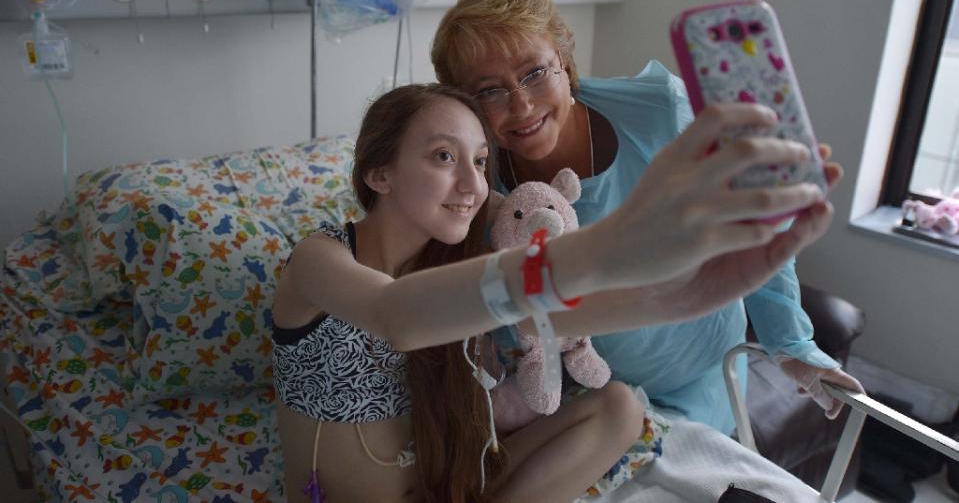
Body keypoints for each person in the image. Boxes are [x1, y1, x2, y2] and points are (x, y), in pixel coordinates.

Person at [271, 82, 830, 502]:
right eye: (444, 157)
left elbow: (556, 315)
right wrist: (605, 246)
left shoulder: (459, 256)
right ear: (379, 175)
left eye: (481, 161)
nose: (471, 185)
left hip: (455, 489)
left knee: (618, 405)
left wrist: (687, 294)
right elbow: (393, 314)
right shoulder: (319, 262)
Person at [430, 0, 862, 434]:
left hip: (699, 374)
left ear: (564, 60)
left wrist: (792, 344)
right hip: (589, 396)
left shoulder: (661, 113)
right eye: (489, 91)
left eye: (534, 73)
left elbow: (753, 221)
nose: (521, 104)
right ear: (465, 104)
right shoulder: (474, 182)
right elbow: (500, 306)